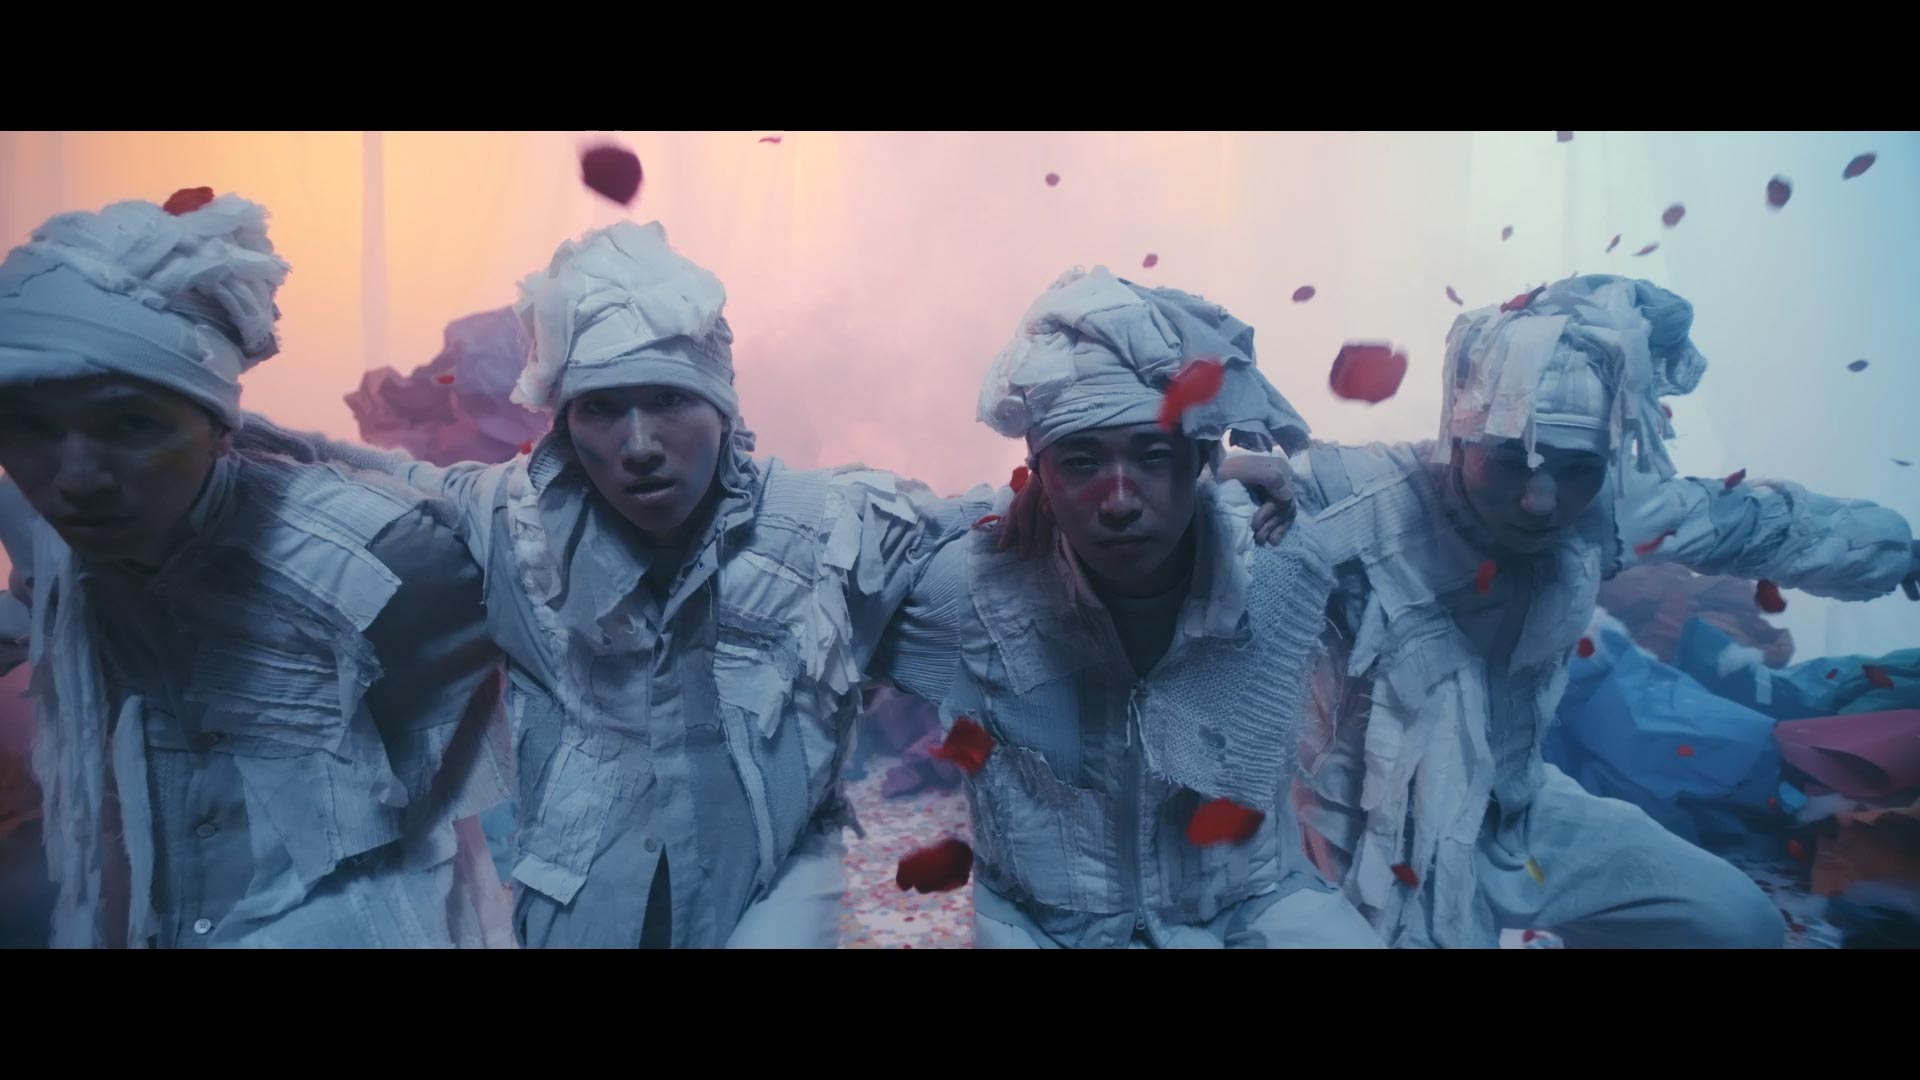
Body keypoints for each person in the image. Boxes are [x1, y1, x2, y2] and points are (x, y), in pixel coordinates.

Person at [1219, 274, 1920, 947]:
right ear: (1460, 438)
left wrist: (1904, 553)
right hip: (1371, 841)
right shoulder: (1357, 495)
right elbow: (1198, 520)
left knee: (1734, 923)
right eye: (1512, 463)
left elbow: (1759, 525)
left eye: (1576, 468)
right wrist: (1213, 493)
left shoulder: (1607, 512)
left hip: (1522, 814)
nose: (1542, 500)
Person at [0, 191, 511, 948]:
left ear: (217, 430)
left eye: (130, 423)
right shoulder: (51, 530)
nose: (75, 478)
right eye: (27, 426)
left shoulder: (372, 557)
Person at [872, 266, 1382, 948]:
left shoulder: (1279, 563)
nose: (1118, 501)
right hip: (1044, 927)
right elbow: (834, 554)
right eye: (1080, 463)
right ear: (1039, 474)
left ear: (1199, 459)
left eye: (1152, 457)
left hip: (1249, 907)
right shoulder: (976, 587)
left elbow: (1439, 502)